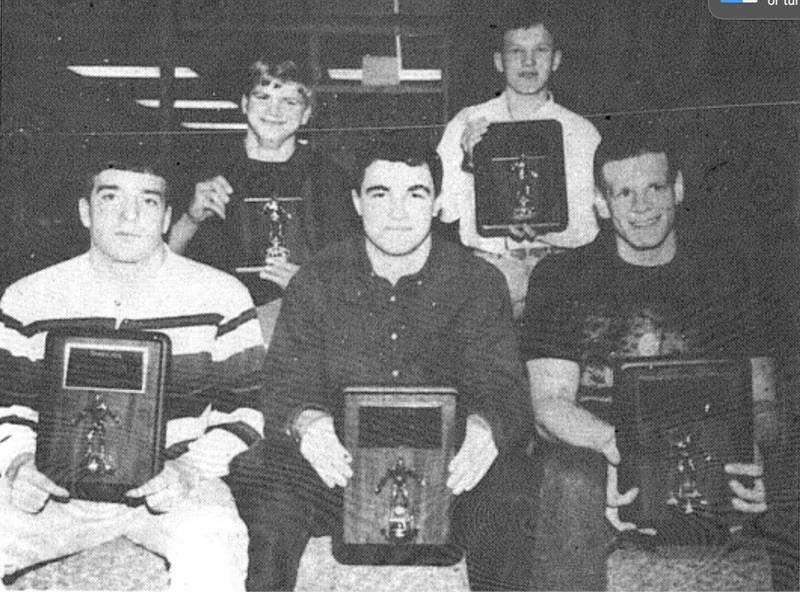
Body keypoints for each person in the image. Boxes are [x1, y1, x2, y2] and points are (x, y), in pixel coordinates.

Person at [228, 138, 535, 591]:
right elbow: (284, 384)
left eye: (415, 193)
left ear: (438, 204)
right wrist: (308, 425)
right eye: (379, 194)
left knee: (511, 488)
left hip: (451, 471)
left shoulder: (477, 282)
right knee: (265, 474)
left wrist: (487, 430)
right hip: (339, 465)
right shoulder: (316, 279)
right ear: (356, 202)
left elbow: (505, 385)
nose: (397, 212)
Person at [520, 122, 772, 590]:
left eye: (655, 187)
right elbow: (548, 405)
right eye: (624, 193)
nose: (641, 207)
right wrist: (627, 454)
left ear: (677, 188)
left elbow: (763, 402)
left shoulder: (727, 276)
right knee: (569, 478)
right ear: (600, 202)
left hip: (708, 460)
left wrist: (755, 453)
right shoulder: (562, 278)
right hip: (598, 461)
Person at [0, 161, 265, 591]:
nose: (129, 216)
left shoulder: (221, 294)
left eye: (147, 201)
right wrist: (18, 464)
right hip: (53, 488)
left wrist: (188, 470)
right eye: (111, 198)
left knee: (217, 552)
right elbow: (8, 403)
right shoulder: (30, 297)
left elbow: (249, 410)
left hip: (175, 485)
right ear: (85, 211)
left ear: (165, 218)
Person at [168, 58, 359, 341]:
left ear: (306, 114)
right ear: (245, 104)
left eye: (290, 102)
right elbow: (163, 262)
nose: (274, 110)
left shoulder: (331, 179)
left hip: (305, 330)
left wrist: (310, 284)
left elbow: (353, 279)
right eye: (263, 97)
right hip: (216, 327)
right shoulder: (203, 171)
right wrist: (190, 219)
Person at [436, 6, 600, 317]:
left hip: (558, 273)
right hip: (487, 272)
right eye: (516, 51)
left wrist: (544, 230)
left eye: (540, 50)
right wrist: (470, 163)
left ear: (556, 59)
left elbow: (590, 227)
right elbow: (446, 214)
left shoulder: (582, 132)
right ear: (499, 61)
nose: (528, 62)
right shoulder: (466, 123)